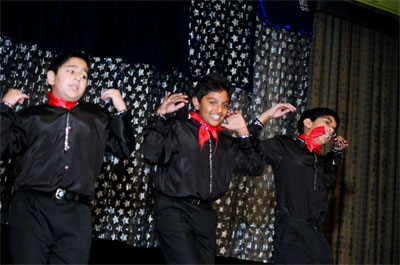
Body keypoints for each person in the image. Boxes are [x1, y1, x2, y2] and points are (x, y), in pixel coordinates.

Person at [0, 51, 135, 264]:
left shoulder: (97, 117)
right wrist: (4, 108)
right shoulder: (32, 115)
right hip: (32, 207)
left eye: (84, 75)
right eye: (71, 71)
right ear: (51, 77)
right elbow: (2, 147)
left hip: (76, 211)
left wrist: (121, 110)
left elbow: (124, 150)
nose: (78, 78)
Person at [141, 73, 269, 264]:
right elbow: (151, 154)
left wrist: (243, 132)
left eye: (224, 104)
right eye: (212, 102)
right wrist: (159, 115)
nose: (219, 109)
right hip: (173, 209)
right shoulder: (177, 128)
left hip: (205, 215)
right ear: (196, 102)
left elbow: (255, 167)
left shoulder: (226, 143)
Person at [250, 104, 349, 264]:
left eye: (334, 128)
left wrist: (336, 153)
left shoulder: (320, 160)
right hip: (291, 230)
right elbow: (250, 147)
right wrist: (265, 117)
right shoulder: (285, 146)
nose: (331, 130)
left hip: (314, 233)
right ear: (308, 123)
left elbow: (328, 180)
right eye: (327, 122)